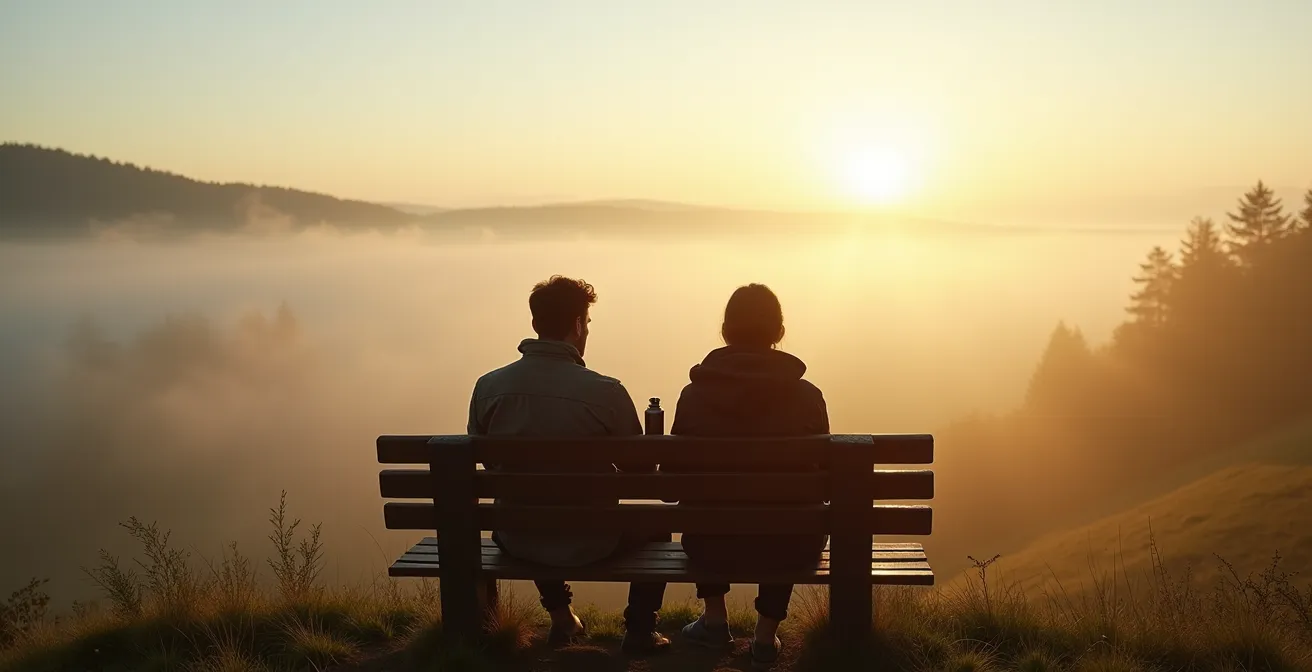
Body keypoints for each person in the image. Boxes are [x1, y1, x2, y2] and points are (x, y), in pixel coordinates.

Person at [467, 275, 670, 654]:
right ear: (578, 325)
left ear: (535, 325)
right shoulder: (606, 391)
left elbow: (486, 461)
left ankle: (562, 618)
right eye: (588, 322)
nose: (588, 330)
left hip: (517, 537)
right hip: (592, 540)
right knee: (658, 527)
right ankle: (641, 630)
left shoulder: (488, 387)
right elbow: (639, 475)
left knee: (533, 507)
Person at [670, 283, 829, 669]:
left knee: (702, 506)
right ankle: (764, 636)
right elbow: (824, 481)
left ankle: (714, 619)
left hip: (710, 542)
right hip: (791, 544)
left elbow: (674, 483)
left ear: (726, 331)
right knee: (792, 512)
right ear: (778, 332)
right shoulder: (808, 396)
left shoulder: (694, 396)